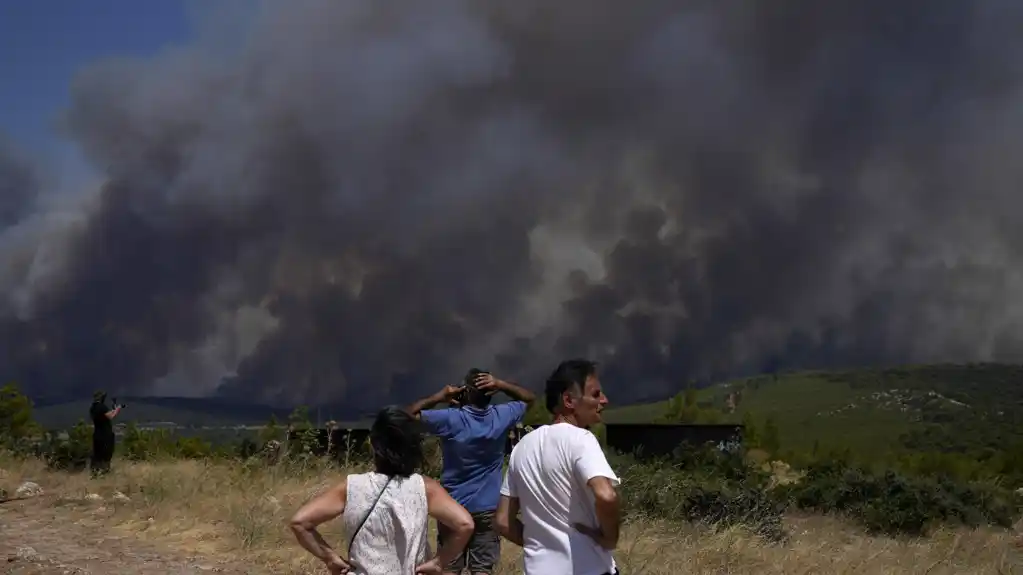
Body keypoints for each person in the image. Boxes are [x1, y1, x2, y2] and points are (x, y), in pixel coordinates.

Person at [290, 406, 475, 575]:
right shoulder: (425, 488)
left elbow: (300, 522)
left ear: (373, 444)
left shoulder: (352, 486)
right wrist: (439, 562)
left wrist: (330, 558)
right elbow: (465, 524)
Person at [495, 359, 622, 575]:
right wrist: (609, 539)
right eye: (595, 394)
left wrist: (540, 546)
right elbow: (606, 495)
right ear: (569, 400)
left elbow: (502, 521)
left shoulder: (522, 447)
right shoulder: (581, 439)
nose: (604, 400)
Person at [405, 370, 536, 575]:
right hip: (489, 506)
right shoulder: (502, 415)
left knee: (449, 567)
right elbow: (529, 399)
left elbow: (407, 416)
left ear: (464, 392)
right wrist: (501, 384)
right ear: (490, 392)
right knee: (482, 569)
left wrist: (440, 397)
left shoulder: (450, 419)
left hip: (453, 506)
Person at [89, 391, 122, 476]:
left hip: (97, 435)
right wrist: (117, 409)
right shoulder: (102, 407)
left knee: (97, 455)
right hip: (105, 435)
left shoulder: (93, 408)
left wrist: (113, 409)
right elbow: (110, 416)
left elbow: (104, 415)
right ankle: (105, 472)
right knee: (107, 454)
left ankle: (95, 472)